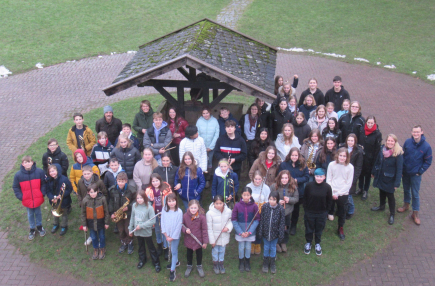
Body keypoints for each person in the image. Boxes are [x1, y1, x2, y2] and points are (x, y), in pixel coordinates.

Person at [398, 125, 432, 225]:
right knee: (406, 189)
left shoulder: (426, 147)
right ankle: (406, 205)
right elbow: (403, 155)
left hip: (416, 175)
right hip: (406, 173)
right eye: (414, 132)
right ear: (412, 133)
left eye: (418, 132)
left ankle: (415, 213)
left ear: (422, 132)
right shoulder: (408, 142)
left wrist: (420, 171)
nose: (416, 134)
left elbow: (428, 161)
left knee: (415, 193)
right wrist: (402, 170)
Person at [371, 134, 404, 225]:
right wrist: (374, 171)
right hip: (381, 176)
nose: (390, 142)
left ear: (395, 142)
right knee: (381, 191)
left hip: (390, 180)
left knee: (390, 196)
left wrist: (397, 183)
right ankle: (381, 206)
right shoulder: (382, 149)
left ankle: (392, 214)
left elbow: (399, 169)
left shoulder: (398, 153)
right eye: (388, 140)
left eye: (392, 141)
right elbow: (377, 161)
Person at [13, 156, 47, 240]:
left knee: (38, 212)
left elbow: (43, 183)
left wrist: (42, 193)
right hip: (27, 199)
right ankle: (32, 228)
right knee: (30, 214)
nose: (27, 164)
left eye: (29, 162)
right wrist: (21, 197)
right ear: (22, 164)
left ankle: (39, 226)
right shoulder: (18, 175)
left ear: (32, 162)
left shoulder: (39, 172)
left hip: (37, 197)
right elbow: (15, 187)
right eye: (25, 162)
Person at [278, 147, 309, 235]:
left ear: (299, 156)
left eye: (296, 155)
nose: (294, 157)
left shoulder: (303, 164)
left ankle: (293, 225)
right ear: (289, 155)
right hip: (285, 190)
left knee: (296, 209)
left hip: (298, 191)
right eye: (292, 155)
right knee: (285, 208)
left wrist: (297, 180)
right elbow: (279, 175)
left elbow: (306, 177)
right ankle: (284, 225)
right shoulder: (284, 164)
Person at [129, 189, 161, 272]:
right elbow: (132, 217)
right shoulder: (134, 206)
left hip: (146, 232)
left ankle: (156, 262)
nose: (139, 200)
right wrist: (130, 228)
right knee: (141, 246)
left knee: (151, 247)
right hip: (137, 231)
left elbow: (153, 221)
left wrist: (142, 226)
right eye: (138, 198)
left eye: (141, 198)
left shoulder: (149, 208)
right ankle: (142, 260)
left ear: (145, 198)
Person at [303, 168, 332, 256]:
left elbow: (329, 200)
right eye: (317, 176)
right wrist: (306, 210)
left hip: (321, 213)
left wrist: (326, 211)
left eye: (321, 176)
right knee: (309, 228)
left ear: (324, 177)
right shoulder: (309, 186)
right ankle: (308, 242)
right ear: (314, 176)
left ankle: (317, 243)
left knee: (319, 228)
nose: (319, 178)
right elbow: (305, 198)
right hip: (310, 212)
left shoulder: (327, 187)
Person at [326, 148, 354, 241]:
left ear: (347, 157)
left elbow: (348, 184)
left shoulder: (350, 167)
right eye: (340, 155)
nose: (342, 158)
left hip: (343, 193)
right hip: (332, 191)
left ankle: (340, 228)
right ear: (337, 155)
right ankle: (328, 215)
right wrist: (332, 192)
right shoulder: (331, 165)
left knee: (342, 211)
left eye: (344, 156)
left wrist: (338, 193)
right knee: (329, 205)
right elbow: (329, 179)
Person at [231, 187, 260, 273]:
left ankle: (247, 262)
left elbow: (257, 219)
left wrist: (250, 231)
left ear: (250, 195)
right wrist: (240, 232)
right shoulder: (237, 205)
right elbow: (234, 220)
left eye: (248, 195)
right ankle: (241, 262)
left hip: (250, 232)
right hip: (240, 232)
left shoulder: (254, 206)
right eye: (244, 195)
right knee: (241, 247)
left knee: (248, 247)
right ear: (241, 195)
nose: (246, 197)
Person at [145, 173, 172, 261]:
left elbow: (170, 200)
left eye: (157, 181)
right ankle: (159, 245)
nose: (155, 183)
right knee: (157, 230)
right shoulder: (149, 190)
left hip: (164, 213)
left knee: (164, 230)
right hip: (154, 213)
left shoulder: (166, 189)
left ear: (160, 180)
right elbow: (147, 202)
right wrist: (149, 201)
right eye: (153, 181)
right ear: (151, 182)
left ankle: (166, 247)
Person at [269, 170, 298, 253]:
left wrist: (289, 199)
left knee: (285, 227)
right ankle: (276, 242)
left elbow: (296, 198)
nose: (284, 180)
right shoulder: (274, 186)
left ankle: (283, 242)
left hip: (287, 212)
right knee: (276, 227)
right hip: (276, 211)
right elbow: (269, 197)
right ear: (279, 178)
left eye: (286, 178)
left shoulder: (293, 187)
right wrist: (277, 201)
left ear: (289, 178)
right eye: (282, 178)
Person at [108, 172, 136, 255]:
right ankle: (123, 242)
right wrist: (111, 213)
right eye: (119, 181)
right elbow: (111, 201)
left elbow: (135, 201)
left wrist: (129, 207)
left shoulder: (132, 190)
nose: (120, 183)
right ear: (116, 181)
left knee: (128, 229)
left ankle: (130, 242)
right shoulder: (113, 189)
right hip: (118, 213)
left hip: (128, 213)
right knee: (121, 229)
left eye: (122, 181)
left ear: (126, 181)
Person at [258, 191, 285, 274]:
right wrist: (260, 231)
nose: (272, 201)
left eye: (274, 200)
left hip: (275, 233)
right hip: (266, 232)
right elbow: (261, 220)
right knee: (266, 247)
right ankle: (265, 262)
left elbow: (282, 222)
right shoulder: (265, 207)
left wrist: (281, 233)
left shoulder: (280, 209)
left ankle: (272, 263)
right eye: (270, 199)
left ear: (277, 200)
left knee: (273, 247)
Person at [81, 183, 110, 260]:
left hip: (101, 221)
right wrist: (84, 225)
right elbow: (83, 213)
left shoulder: (102, 199)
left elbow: (106, 211)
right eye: (91, 192)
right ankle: (95, 248)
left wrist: (107, 222)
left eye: (94, 192)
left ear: (98, 191)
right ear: (88, 192)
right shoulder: (85, 200)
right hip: (90, 223)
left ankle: (102, 248)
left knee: (102, 236)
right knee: (93, 237)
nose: (93, 194)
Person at [206, 195, 233, 274]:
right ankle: (215, 264)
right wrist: (212, 241)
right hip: (214, 237)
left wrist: (228, 228)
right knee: (215, 251)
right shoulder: (210, 213)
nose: (218, 205)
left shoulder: (228, 211)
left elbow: (230, 222)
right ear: (213, 203)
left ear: (223, 203)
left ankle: (221, 263)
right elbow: (209, 228)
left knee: (222, 250)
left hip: (224, 235)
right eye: (216, 203)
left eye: (220, 203)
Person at [182, 200, 209, 278]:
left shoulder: (202, 217)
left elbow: (204, 230)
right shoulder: (185, 216)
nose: (193, 209)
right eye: (191, 208)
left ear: (198, 208)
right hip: (189, 239)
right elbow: (182, 225)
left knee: (199, 253)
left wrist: (205, 242)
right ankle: (189, 265)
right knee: (189, 253)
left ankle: (199, 265)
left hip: (199, 240)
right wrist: (185, 230)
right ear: (189, 207)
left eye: (195, 208)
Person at [358, 116, 382, 200]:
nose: (370, 124)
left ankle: (365, 190)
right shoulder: (361, 130)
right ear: (366, 122)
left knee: (367, 175)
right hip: (361, 156)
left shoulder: (377, 134)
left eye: (372, 123)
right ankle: (360, 188)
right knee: (360, 173)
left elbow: (377, 149)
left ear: (374, 123)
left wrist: (374, 161)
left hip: (370, 158)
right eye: (368, 123)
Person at [247, 170, 271, 255]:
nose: (257, 181)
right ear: (253, 179)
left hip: (261, 211)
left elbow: (267, 201)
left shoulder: (266, 188)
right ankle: (251, 243)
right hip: (250, 211)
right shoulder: (248, 186)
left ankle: (257, 244)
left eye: (259, 179)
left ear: (262, 179)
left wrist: (261, 208)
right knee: (251, 228)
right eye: (256, 179)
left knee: (259, 229)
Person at [340, 134, 364, 219]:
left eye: (352, 141)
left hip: (351, 176)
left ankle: (350, 210)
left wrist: (354, 179)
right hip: (341, 174)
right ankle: (342, 209)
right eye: (348, 140)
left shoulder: (358, 151)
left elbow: (358, 167)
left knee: (348, 195)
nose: (350, 142)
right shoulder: (342, 148)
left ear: (355, 142)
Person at [46, 164, 73, 236]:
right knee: (55, 213)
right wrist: (52, 198)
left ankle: (64, 226)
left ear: (57, 171)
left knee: (64, 214)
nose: (52, 173)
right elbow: (47, 191)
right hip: (54, 201)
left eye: (53, 171)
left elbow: (69, 189)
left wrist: (61, 196)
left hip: (63, 201)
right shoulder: (48, 180)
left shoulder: (64, 179)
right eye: (50, 171)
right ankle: (55, 224)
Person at [161, 193, 183, 282]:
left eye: (173, 201)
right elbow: (162, 221)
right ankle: (176, 262)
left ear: (176, 201)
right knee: (171, 248)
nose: (171, 203)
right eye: (169, 201)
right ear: (166, 202)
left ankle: (172, 270)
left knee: (174, 251)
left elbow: (179, 226)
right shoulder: (164, 210)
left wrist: (172, 237)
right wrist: (165, 234)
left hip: (175, 236)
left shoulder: (179, 212)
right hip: (167, 235)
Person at [196, 106, 220, 171]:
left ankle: (209, 177)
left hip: (211, 146)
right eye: (204, 113)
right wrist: (202, 145)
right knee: (202, 162)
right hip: (202, 146)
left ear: (210, 113)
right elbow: (197, 133)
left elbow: (216, 134)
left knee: (210, 162)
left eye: (207, 113)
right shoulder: (199, 121)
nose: (205, 115)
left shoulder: (215, 121)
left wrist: (211, 146)